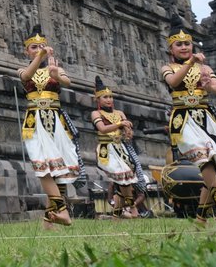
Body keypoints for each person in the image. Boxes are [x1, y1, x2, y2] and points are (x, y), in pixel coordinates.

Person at [161, 18, 216, 224]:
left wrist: (208, 83)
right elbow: (173, 81)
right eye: (179, 44)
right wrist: (192, 63)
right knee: (203, 158)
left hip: (205, 116)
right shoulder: (167, 67)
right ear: (171, 49)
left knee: (214, 160)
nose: (184, 47)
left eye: (187, 44)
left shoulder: (204, 67)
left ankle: (201, 216)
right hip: (183, 117)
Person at [18, 25, 81, 228]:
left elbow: (67, 82)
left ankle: (49, 221)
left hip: (55, 120)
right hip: (35, 121)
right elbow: (27, 76)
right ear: (26, 51)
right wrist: (41, 57)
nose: (38, 50)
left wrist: (56, 74)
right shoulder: (23, 69)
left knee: (58, 169)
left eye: (41, 46)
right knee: (43, 165)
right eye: (33, 47)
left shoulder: (54, 68)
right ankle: (61, 210)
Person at [90, 76, 137, 219]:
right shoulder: (96, 113)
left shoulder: (120, 113)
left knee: (126, 180)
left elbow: (126, 131)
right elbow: (102, 129)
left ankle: (117, 215)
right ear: (98, 99)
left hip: (121, 148)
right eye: (105, 97)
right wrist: (120, 125)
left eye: (110, 97)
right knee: (121, 177)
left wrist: (128, 131)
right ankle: (132, 208)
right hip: (106, 149)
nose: (109, 100)